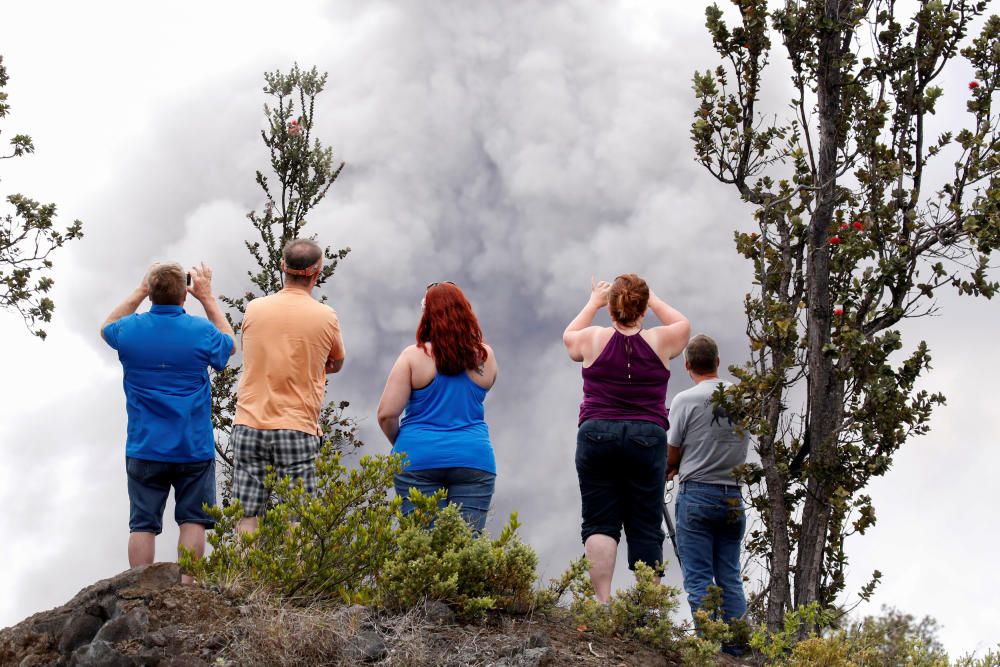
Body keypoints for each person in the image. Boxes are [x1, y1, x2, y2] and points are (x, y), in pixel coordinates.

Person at [101, 262, 236, 582]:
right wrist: (208, 299)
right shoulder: (201, 333)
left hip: (145, 445)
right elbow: (228, 344)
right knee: (193, 520)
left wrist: (139, 290)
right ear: (183, 296)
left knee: (143, 524)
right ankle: (188, 590)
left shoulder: (130, 331)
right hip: (193, 446)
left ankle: (140, 591)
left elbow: (107, 325)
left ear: (150, 293)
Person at [563, 274, 690, 601]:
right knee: (646, 522)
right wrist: (653, 299)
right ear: (642, 308)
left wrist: (593, 302)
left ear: (611, 308)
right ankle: (647, 608)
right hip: (647, 437)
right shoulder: (661, 341)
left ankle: (603, 603)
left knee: (599, 520)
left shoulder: (593, 339)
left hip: (597, 433)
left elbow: (568, 337)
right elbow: (683, 324)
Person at [233, 238, 346, 533]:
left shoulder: (255, 309)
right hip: (297, 425)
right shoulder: (326, 316)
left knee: (247, 514)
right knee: (299, 517)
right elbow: (337, 361)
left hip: (249, 422)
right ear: (317, 271)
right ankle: (295, 579)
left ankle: (242, 578)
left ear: (283, 267)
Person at [376, 281, 498, 532]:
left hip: (418, 458)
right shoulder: (485, 357)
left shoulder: (412, 356)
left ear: (426, 315)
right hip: (473, 458)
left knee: (424, 548)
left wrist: (405, 444)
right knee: (467, 547)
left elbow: (387, 414)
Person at [667, 334, 749, 649]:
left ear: (687, 365)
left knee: (699, 579)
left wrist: (671, 468)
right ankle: (738, 650)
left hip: (696, 495)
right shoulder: (742, 395)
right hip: (733, 496)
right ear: (717, 362)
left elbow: (672, 454)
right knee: (730, 578)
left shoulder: (684, 401)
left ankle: (711, 652)